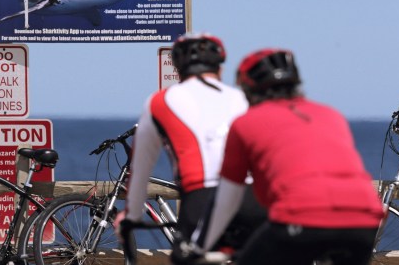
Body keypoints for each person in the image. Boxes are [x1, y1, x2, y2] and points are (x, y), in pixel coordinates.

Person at [194, 49, 383, 264]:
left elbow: (227, 198)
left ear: (248, 89)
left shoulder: (246, 123)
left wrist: (198, 248)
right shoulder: (331, 115)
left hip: (300, 218)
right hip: (364, 219)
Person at [119, 33, 252, 263]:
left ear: (178, 71)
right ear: (220, 70)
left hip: (203, 198)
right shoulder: (243, 99)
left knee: (186, 258)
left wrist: (130, 216)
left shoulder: (160, 101)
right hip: (253, 197)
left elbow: (140, 169)